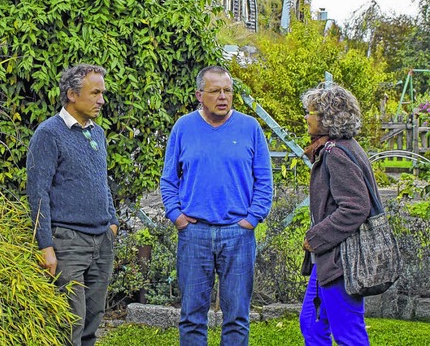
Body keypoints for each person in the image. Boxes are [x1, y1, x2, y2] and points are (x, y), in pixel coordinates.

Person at [160, 66, 273, 346]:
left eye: (227, 91)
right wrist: (177, 216)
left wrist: (252, 218)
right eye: (215, 91)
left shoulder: (250, 128)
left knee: (236, 316)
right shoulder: (184, 127)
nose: (223, 97)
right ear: (200, 94)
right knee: (191, 316)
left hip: (238, 234)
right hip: (194, 233)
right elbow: (168, 179)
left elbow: (264, 181)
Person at [26, 64, 118, 346]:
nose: (101, 100)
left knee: (92, 321)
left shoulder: (97, 133)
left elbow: (102, 181)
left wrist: (112, 222)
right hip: (68, 243)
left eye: (102, 93)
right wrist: (45, 246)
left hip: (101, 241)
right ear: (72, 94)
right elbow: (38, 191)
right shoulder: (48, 134)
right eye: (95, 93)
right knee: (71, 324)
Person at [299, 83, 377, 345]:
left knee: (348, 334)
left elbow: (355, 207)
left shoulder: (338, 154)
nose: (306, 118)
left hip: (342, 262)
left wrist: (316, 238)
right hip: (329, 260)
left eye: (310, 112)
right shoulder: (338, 147)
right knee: (312, 325)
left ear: (326, 117)